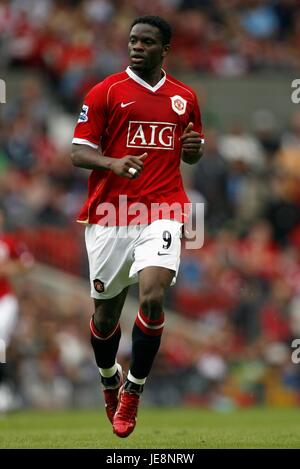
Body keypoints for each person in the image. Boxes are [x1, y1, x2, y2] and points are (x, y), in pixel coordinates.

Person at [71, 15, 204, 438]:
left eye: (146, 42)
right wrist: (113, 163)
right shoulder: (106, 91)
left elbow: (192, 154)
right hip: (111, 214)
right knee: (106, 314)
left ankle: (134, 389)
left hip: (162, 209)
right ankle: (109, 376)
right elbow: (78, 152)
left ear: (165, 49)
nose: (136, 47)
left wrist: (195, 150)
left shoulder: (185, 97)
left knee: (151, 298)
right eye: (132, 41)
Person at [0, 207, 34, 412]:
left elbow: (27, 264)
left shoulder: (8, 241)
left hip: (4, 300)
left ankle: (3, 391)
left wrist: (6, 269)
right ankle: (7, 390)